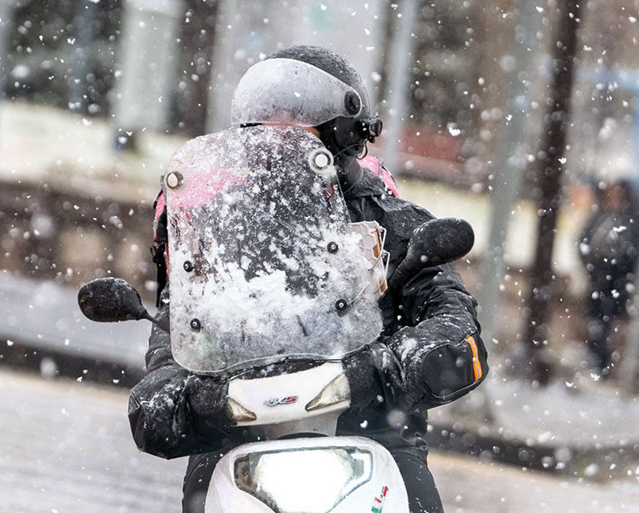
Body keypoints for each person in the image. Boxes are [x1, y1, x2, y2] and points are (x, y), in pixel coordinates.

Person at [128, 45, 488, 513]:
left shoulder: (389, 222)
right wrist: (176, 393)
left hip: (372, 433)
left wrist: (400, 363)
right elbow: (182, 329)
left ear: (341, 132)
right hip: (238, 440)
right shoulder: (219, 231)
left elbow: (454, 322)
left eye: (295, 116)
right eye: (264, 119)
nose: (277, 132)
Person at [578, 179, 639, 377]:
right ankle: (597, 361)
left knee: (606, 323)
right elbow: (584, 240)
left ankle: (602, 365)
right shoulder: (600, 216)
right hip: (597, 280)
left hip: (617, 282)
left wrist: (613, 268)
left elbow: (628, 252)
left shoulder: (629, 220)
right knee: (595, 322)